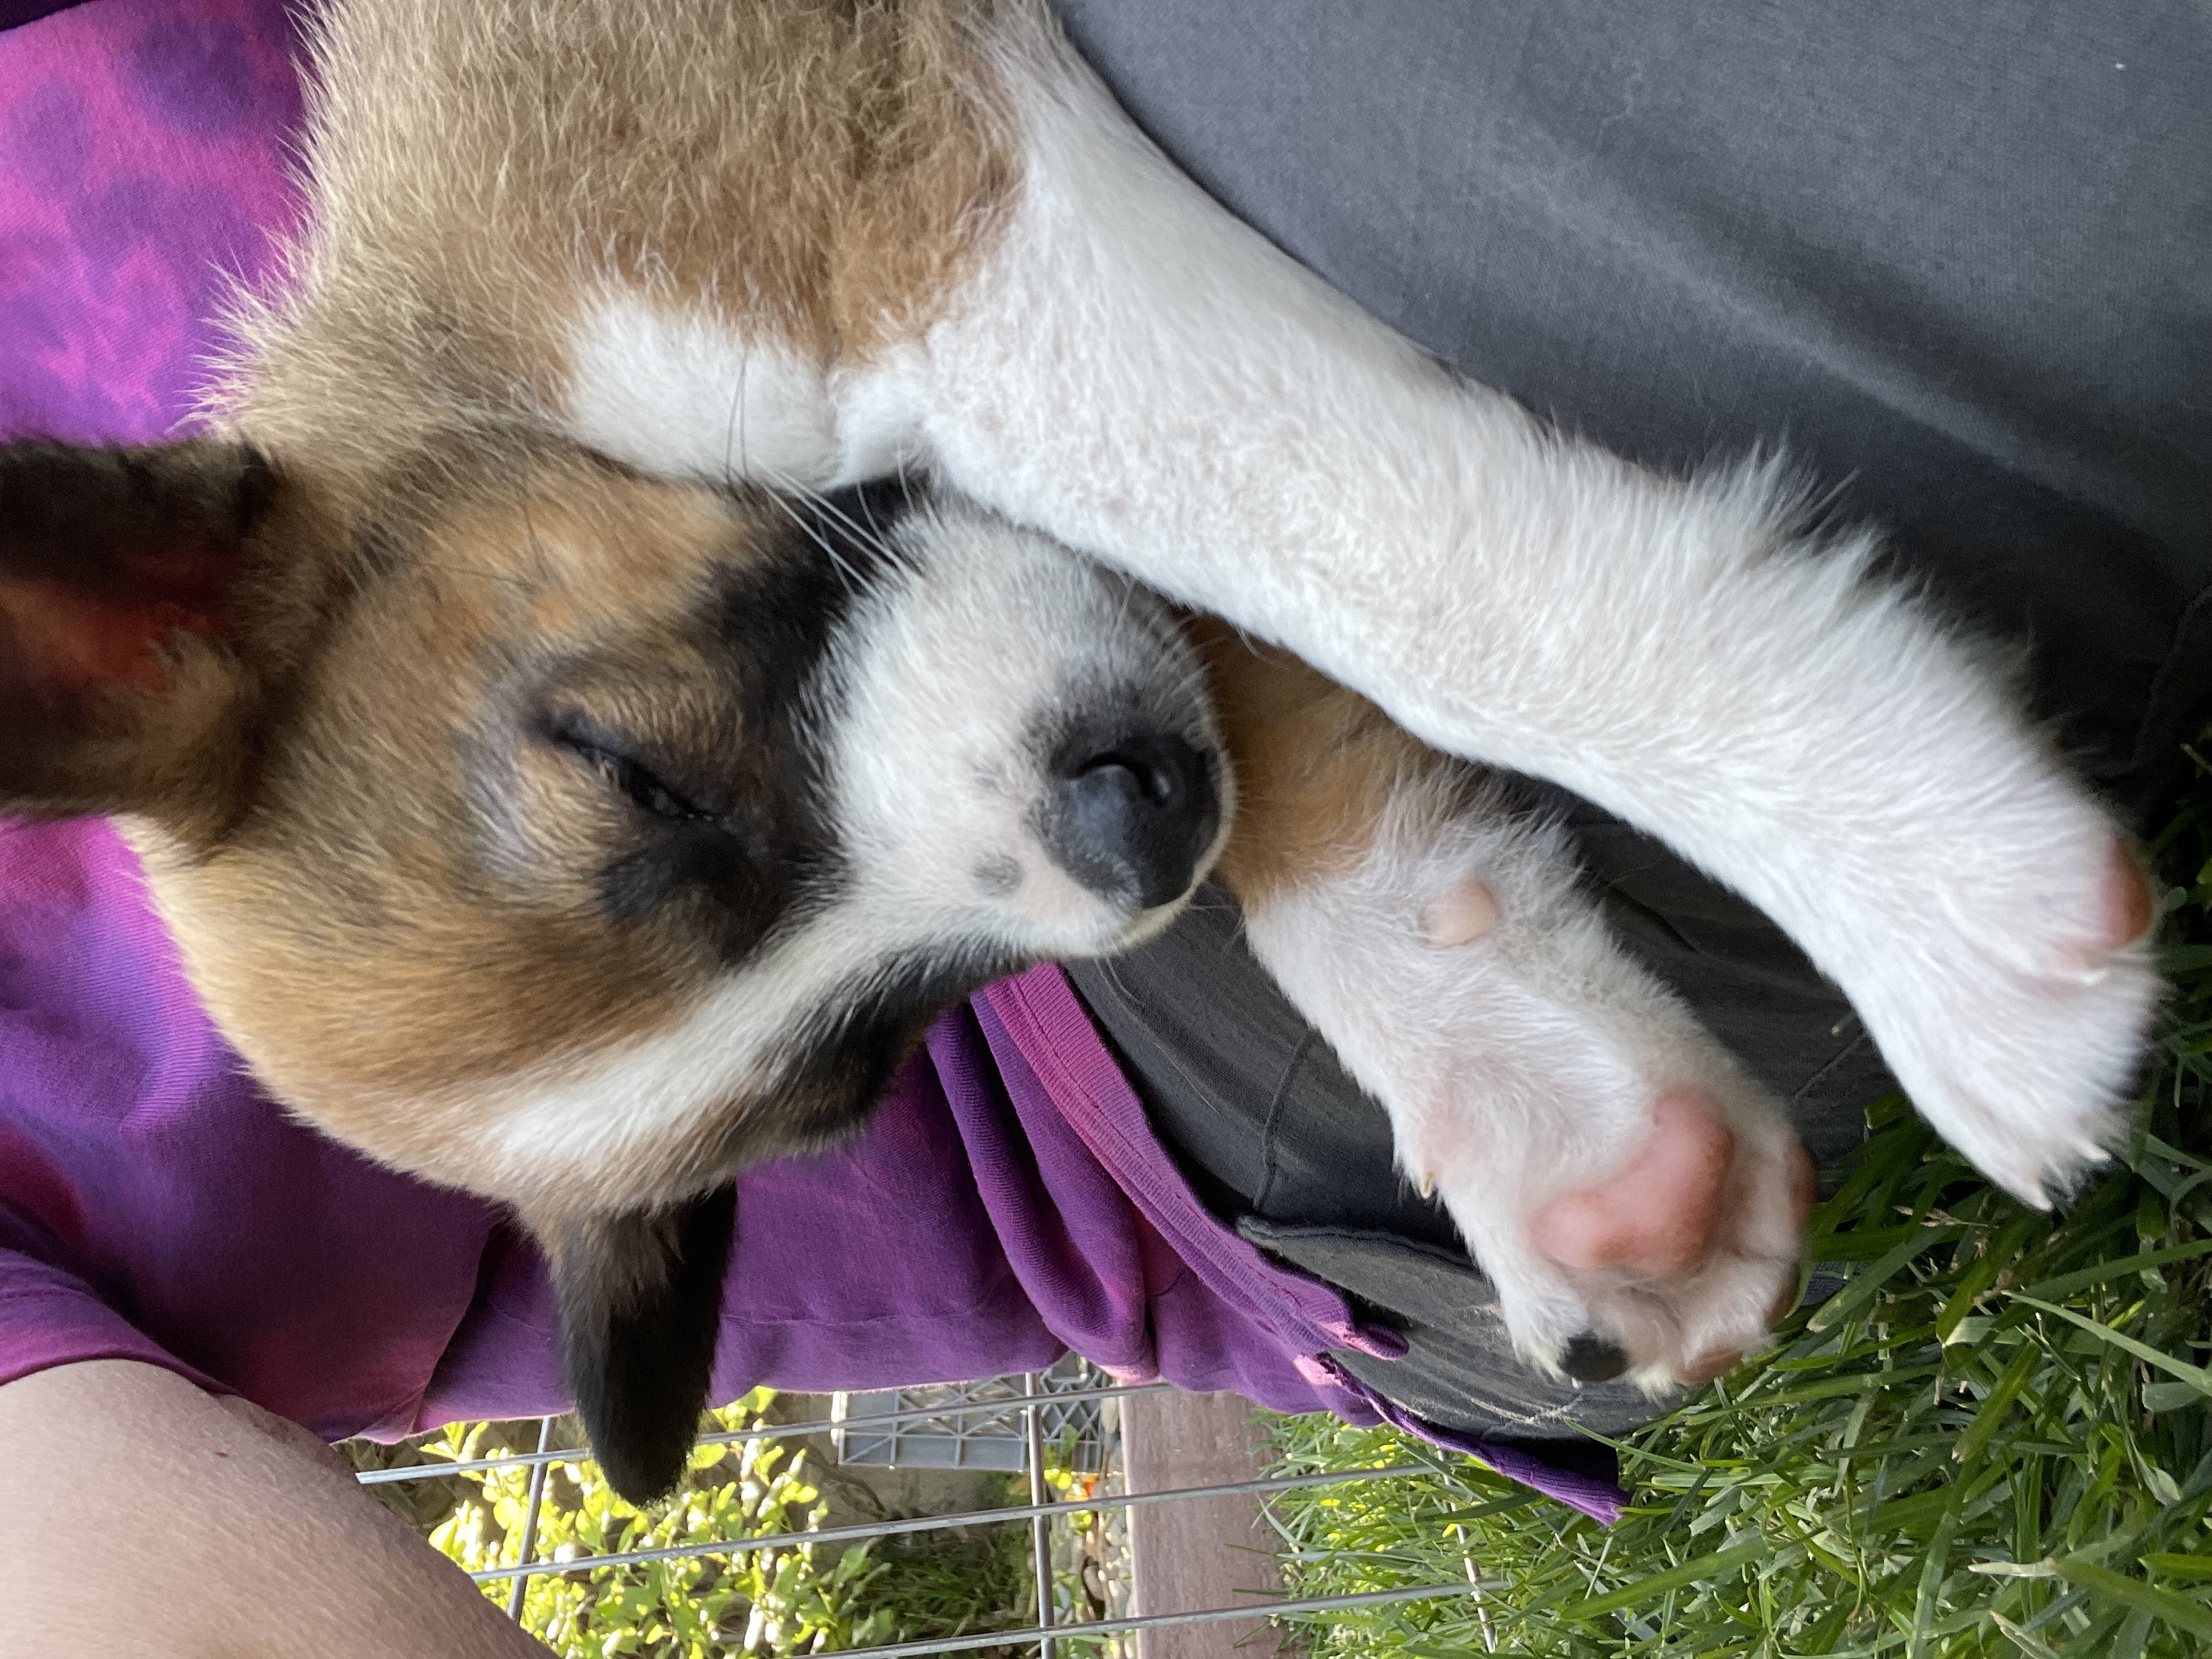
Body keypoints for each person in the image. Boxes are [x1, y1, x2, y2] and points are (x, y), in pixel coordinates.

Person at [2, 0, 2203, 1653]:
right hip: (1194, 1126)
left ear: (148, 608)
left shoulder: (515, 269)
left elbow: (890, 218)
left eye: (657, 782)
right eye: (867, 1017)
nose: (1085, 878)